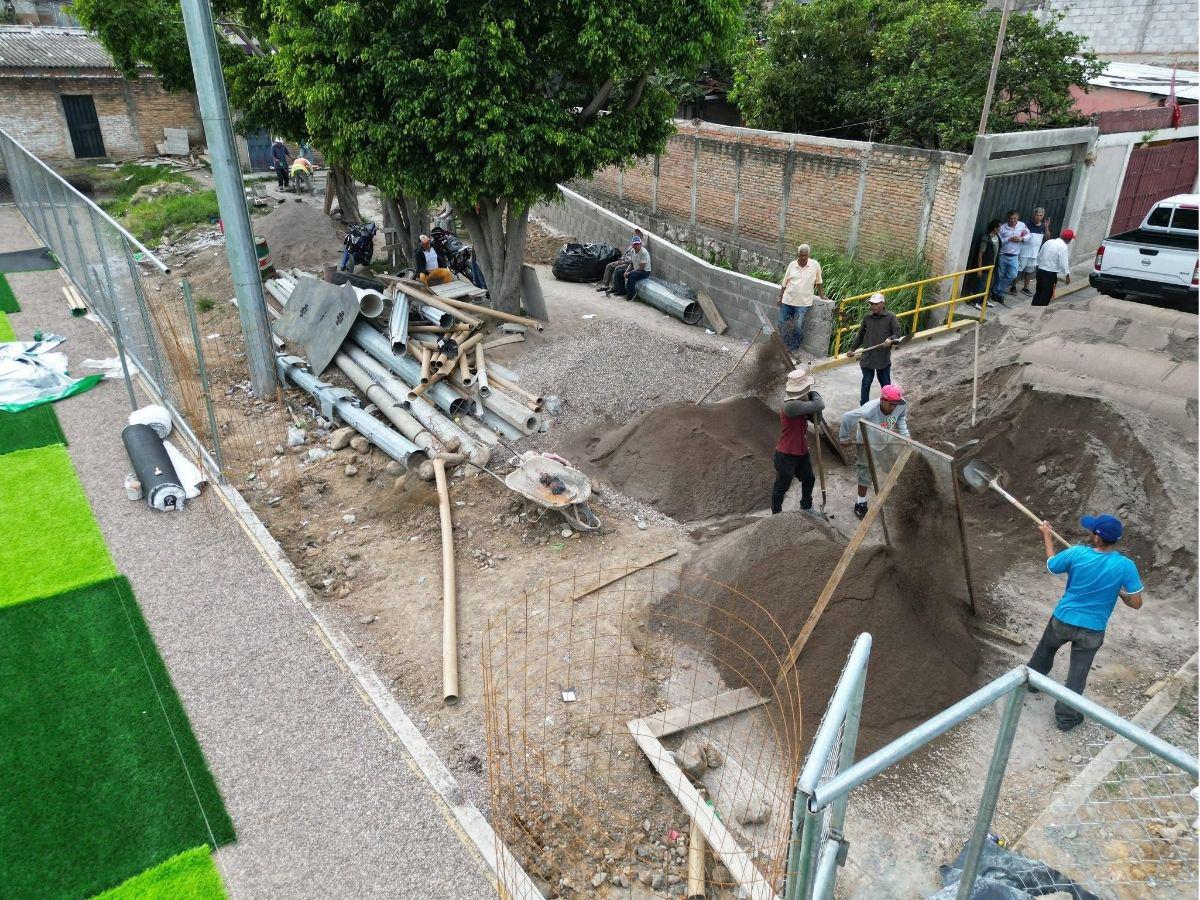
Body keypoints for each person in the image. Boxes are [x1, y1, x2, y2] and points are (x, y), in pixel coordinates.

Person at [1027, 515, 1144, 731]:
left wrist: (1047, 535)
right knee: (1077, 675)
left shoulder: (1077, 553)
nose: (1090, 534)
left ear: (1098, 538)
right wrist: (1119, 592)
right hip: (1092, 630)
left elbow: (1052, 566)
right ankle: (1065, 719)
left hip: (1063, 619)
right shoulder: (1126, 566)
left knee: (1045, 650)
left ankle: (1032, 684)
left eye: (1093, 532)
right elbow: (1136, 603)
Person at [838, 384, 909, 520]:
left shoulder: (901, 405)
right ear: (882, 400)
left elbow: (901, 418)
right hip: (866, 442)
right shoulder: (869, 410)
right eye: (890, 404)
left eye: (895, 405)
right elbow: (847, 417)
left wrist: (905, 435)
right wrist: (844, 437)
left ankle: (893, 492)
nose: (893, 407)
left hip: (885, 440)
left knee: (891, 466)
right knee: (865, 471)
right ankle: (860, 503)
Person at [771, 367, 825, 515]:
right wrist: (814, 393)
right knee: (782, 486)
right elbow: (819, 404)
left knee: (809, 479)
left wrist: (814, 409)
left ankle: (806, 506)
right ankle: (776, 513)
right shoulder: (791, 406)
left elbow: (817, 420)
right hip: (786, 454)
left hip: (801, 452)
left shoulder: (802, 404)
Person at [848, 293, 902, 405]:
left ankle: (888, 404)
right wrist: (852, 349)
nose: (873, 307)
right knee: (866, 383)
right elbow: (860, 335)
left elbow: (897, 333)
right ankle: (864, 406)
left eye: (876, 304)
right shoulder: (867, 318)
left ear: (883, 304)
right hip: (868, 357)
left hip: (883, 358)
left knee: (886, 385)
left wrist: (890, 339)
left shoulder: (891, 317)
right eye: (872, 304)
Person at [777, 244, 824, 356]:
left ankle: (793, 348)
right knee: (782, 323)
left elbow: (819, 282)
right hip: (788, 300)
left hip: (803, 303)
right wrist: (780, 296)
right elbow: (785, 282)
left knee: (798, 327)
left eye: (805, 255)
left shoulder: (815, 265)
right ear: (798, 255)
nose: (803, 258)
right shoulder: (792, 265)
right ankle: (784, 346)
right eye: (801, 255)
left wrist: (822, 295)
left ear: (808, 255)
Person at [1032, 229, 1074, 308]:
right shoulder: (1063, 247)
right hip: (1050, 274)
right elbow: (1063, 263)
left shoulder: (1049, 242)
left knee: (1039, 291)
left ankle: (1033, 307)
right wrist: (1067, 276)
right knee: (1046, 294)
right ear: (1069, 239)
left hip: (1041, 271)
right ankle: (1039, 311)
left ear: (1061, 236)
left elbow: (1040, 255)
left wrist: (1037, 266)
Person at [995, 210, 1029, 304]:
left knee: (1013, 275)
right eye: (1011, 218)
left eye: (1015, 218)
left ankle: (997, 290)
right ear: (1008, 218)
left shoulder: (1022, 225)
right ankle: (999, 294)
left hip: (1014, 255)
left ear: (1018, 217)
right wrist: (1009, 239)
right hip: (1003, 254)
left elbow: (1029, 235)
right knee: (1000, 276)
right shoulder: (1002, 228)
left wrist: (1022, 238)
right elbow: (998, 240)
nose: (1013, 220)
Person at [966, 219, 1001, 309]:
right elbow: (980, 254)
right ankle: (975, 301)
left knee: (990, 284)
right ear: (995, 228)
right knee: (982, 284)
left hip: (992, 266)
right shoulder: (986, 238)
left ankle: (985, 300)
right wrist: (980, 268)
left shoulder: (997, 238)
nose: (1000, 229)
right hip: (985, 265)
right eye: (999, 227)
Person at [598, 229, 644, 294]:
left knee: (617, 268)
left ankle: (615, 287)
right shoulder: (631, 246)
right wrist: (621, 259)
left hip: (629, 263)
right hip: (623, 260)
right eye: (634, 235)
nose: (635, 236)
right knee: (609, 265)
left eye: (637, 235)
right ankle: (605, 285)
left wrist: (624, 262)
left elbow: (634, 260)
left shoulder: (639, 247)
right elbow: (626, 254)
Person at [1018, 207, 1050, 296]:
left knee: (1029, 271)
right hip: (1024, 251)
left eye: (1041, 215)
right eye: (1037, 215)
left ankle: (1025, 287)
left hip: (1034, 253)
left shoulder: (1043, 226)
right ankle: (1013, 286)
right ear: (1034, 215)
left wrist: (1047, 227)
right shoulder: (1027, 224)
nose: (1038, 217)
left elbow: (1047, 238)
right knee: (1018, 270)